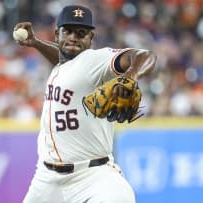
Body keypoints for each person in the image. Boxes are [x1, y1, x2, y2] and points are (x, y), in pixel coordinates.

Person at [14, 4, 156, 203]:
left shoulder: (95, 60)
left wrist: (131, 76)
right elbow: (65, 59)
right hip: (46, 180)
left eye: (81, 33)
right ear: (57, 34)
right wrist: (36, 42)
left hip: (93, 177)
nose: (73, 37)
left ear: (91, 38)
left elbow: (143, 55)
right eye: (68, 31)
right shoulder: (64, 64)